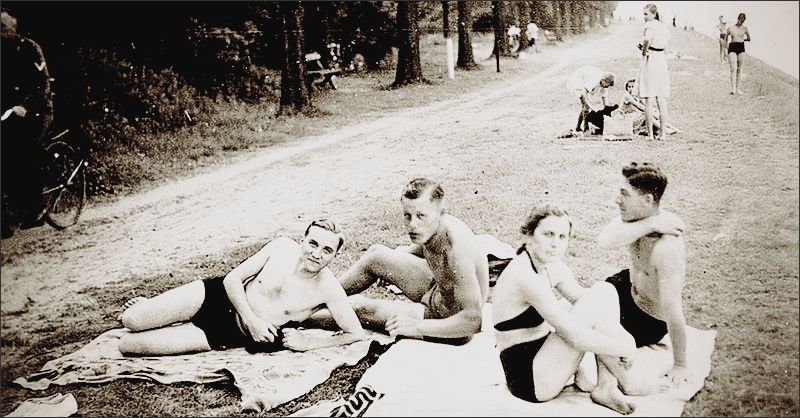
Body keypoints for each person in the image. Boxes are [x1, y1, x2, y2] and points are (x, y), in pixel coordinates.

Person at [492, 204, 669, 415]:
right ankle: (626, 382)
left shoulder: (551, 266)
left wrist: (624, 337)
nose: (555, 244)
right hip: (529, 380)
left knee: (604, 291)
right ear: (529, 235)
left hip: (543, 356)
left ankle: (607, 386)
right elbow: (575, 337)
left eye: (562, 236)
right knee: (597, 302)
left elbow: (592, 302)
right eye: (548, 234)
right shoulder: (524, 276)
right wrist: (625, 347)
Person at [118, 219, 365, 355]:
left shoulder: (329, 289)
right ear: (303, 240)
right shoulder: (281, 247)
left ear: (335, 256)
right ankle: (151, 308)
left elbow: (355, 333)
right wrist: (252, 320)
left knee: (126, 346)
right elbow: (232, 279)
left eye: (327, 250)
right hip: (215, 297)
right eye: (313, 243)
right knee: (131, 320)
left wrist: (308, 343)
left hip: (227, 334)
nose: (316, 254)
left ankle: (161, 313)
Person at [310, 178, 488, 345]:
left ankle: (296, 316)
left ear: (441, 213)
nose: (412, 224)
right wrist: (399, 261)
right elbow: (425, 247)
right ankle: (311, 298)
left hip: (448, 321)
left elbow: (472, 320)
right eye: (407, 215)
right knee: (377, 255)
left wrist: (415, 326)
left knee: (360, 307)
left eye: (420, 216)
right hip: (437, 289)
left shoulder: (456, 252)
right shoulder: (433, 226)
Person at [597, 162, 693, 388]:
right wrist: (652, 223)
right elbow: (604, 241)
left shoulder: (666, 249)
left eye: (624, 194)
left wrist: (680, 364)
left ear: (647, 200)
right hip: (628, 287)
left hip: (648, 318)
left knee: (595, 329)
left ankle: (608, 387)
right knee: (587, 304)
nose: (617, 200)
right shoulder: (637, 218)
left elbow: (673, 309)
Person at [1, 8, 53, 238]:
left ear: (13, 27)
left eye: (3, 28)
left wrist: (26, 106)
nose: (2, 33)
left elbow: (40, 84)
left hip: (35, 111)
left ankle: (37, 208)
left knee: (27, 151)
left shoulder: (29, 49)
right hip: (8, 112)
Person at [637, 4, 671, 141]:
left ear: (653, 14)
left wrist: (644, 51)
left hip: (651, 60)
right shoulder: (663, 26)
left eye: (646, 14)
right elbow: (665, 45)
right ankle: (662, 134)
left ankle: (650, 134)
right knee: (661, 98)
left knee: (649, 98)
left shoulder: (649, 25)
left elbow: (647, 40)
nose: (644, 17)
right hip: (661, 61)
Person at [565, 65, 615, 133]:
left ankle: (578, 127)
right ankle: (586, 129)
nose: (607, 87)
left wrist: (607, 110)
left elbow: (604, 97)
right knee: (586, 106)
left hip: (584, 81)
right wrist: (591, 106)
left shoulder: (603, 81)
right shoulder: (595, 79)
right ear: (604, 81)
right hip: (576, 81)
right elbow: (583, 93)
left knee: (585, 106)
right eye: (607, 85)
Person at [726, 13, 751, 95]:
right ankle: (733, 89)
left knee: (740, 69)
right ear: (738, 18)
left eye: (743, 19)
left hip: (741, 47)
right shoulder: (731, 28)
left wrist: (742, 39)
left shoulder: (745, 28)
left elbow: (749, 38)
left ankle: (738, 89)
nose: (741, 20)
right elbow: (726, 38)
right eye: (740, 18)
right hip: (732, 46)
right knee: (733, 68)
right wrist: (726, 48)